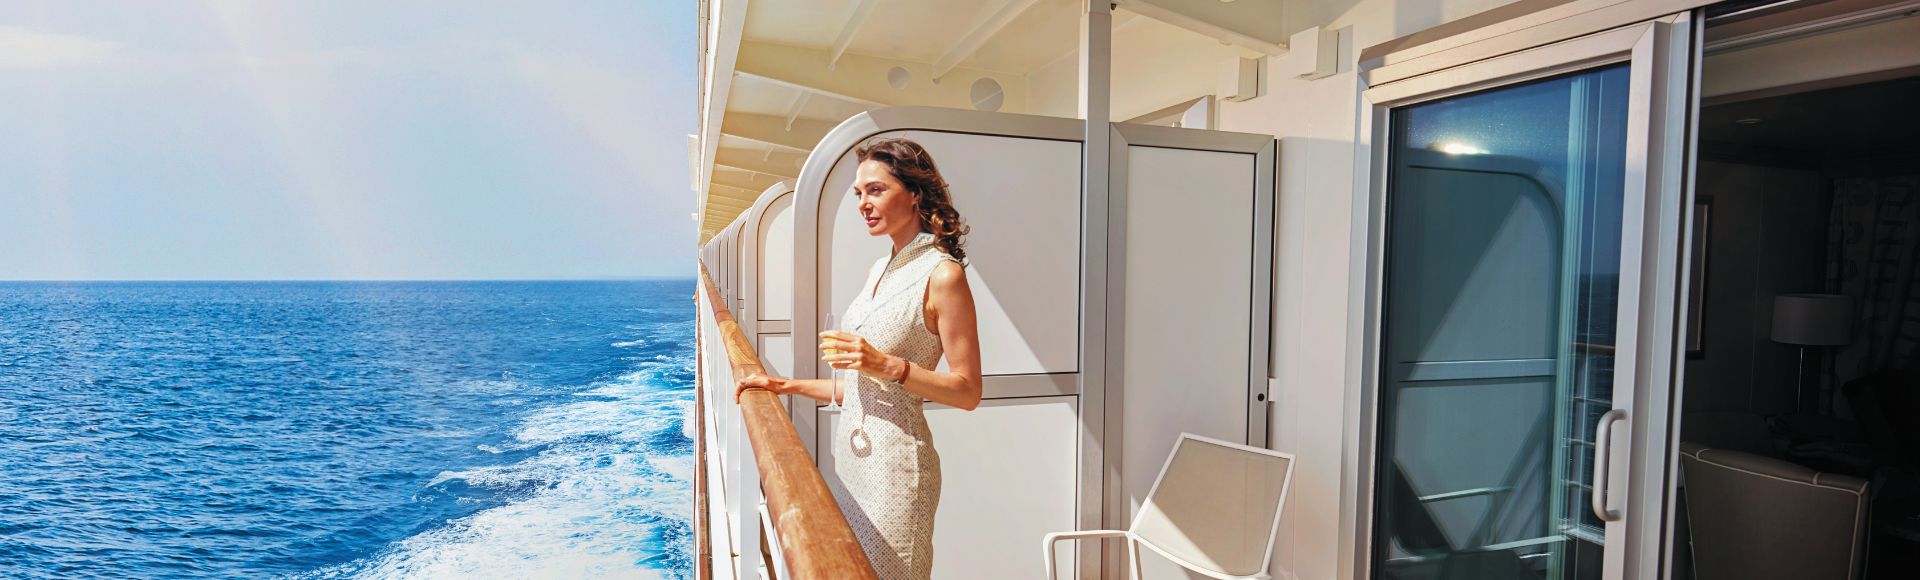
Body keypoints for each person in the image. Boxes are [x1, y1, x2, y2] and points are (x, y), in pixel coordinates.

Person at [735, 137, 983, 579]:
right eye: (858, 193)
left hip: (896, 473)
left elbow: (967, 391)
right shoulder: (879, 269)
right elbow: (861, 386)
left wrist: (887, 365)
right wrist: (783, 385)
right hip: (852, 463)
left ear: (915, 193)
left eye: (876, 190)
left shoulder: (943, 275)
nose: (863, 204)